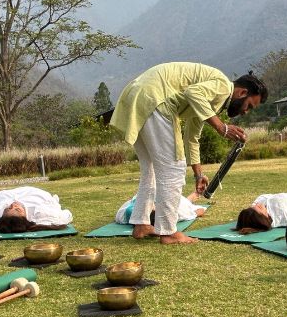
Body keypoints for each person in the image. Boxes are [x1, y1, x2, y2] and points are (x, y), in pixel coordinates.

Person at [110, 62, 268, 244]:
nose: (246, 112)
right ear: (242, 93)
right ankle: (168, 232)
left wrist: (198, 174)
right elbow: (193, 93)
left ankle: (141, 224)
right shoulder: (223, 86)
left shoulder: (210, 102)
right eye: (249, 106)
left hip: (139, 96)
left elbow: (192, 137)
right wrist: (221, 127)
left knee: (151, 169)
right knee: (173, 169)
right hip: (155, 99)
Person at [0, 186, 72, 233]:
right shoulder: (43, 212)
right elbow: (67, 215)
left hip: (8, 195)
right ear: (24, 215)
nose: (13, 205)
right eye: (15, 209)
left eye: (8, 209)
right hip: (32, 195)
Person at [115, 190, 206, 225]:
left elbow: (133, 198)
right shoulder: (178, 213)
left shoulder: (124, 214)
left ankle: (191, 197)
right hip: (171, 201)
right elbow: (199, 211)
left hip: (161, 196)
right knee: (185, 203)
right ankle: (191, 197)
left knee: (184, 202)